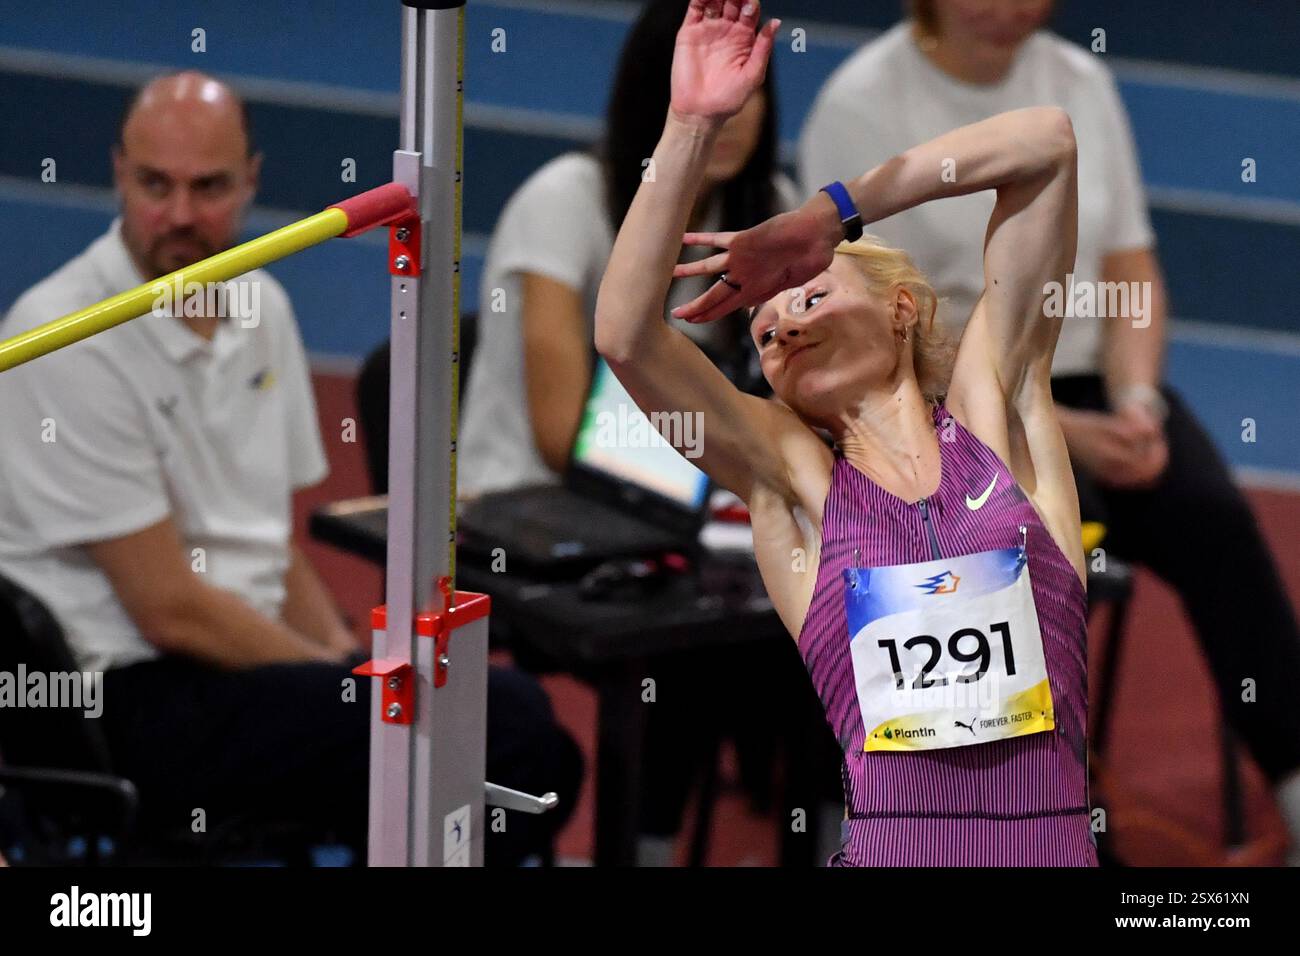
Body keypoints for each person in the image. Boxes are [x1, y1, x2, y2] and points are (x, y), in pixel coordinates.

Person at [0, 71, 581, 866]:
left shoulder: (260, 307)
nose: (178, 215)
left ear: (252, 182)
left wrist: (351, 666)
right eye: (154, 185)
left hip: (239, 667)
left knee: (503, 732)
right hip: (125, 699)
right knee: (506, 732)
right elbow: (170, 607)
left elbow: (272, 552)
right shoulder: (62, 333)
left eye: (208, 187)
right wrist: (353, 688)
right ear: (117, 173)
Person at [797, 0, 1300, 863]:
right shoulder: (860, 101)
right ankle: (1048, 810)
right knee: (1019, 564)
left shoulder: (1082, 79)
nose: (1010, 7)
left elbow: (1129, 264)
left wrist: (1138, 400)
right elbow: (884, 334)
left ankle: (1292, 780)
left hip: (1096, 389)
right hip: (949, 400)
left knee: (1213, 517)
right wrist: (1060, 428)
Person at [597, 0, 1094, 865]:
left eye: (812, 293)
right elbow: (627, 338)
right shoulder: (796, 483)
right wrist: (688, 126)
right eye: (765, 333)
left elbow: (1046, 145)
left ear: (902, 308)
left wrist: (831, 214)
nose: (783, 324)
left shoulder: (995, 411)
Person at [455, 0, 832, 865]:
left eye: (751, 99)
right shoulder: (563, 204)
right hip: (532, 510)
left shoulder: (771, 209)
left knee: (826, 596)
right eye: (712, 98)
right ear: (650, 98)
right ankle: (649, 849)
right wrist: (744, 467)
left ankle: (843, 837)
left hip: (702, 503)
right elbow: (559, 434)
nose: (731, 120)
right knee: (695, 627)